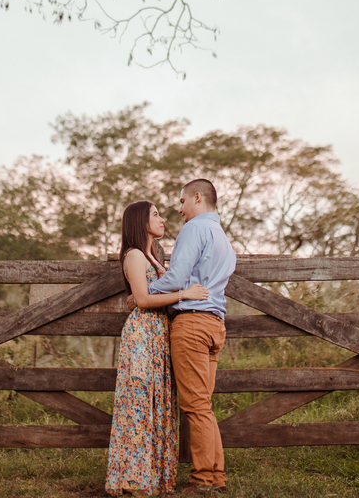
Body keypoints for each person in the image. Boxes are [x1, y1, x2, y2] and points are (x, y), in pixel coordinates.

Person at [106, 200, 209, 496]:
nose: (162, 219)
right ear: (141, 221)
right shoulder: (135, 255)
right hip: (142, 336)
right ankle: (133, 480)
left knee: (158, 402)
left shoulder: (152, 257)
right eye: (155, 214)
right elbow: (142, 301)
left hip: (159, 335)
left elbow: (145, 294)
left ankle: (152, 477)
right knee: (139, 403)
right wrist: (184, 293)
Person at [148, 179, 237, 494]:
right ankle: (217, 477)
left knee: (196, 406)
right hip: (216, 325)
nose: (180, 208)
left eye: (182, 201)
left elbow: (176, 278)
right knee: (205, 405)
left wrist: (143, 293)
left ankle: (201, 480)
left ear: (198, 197)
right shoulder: (222, 237)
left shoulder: (194, 230)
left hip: (193, 324)